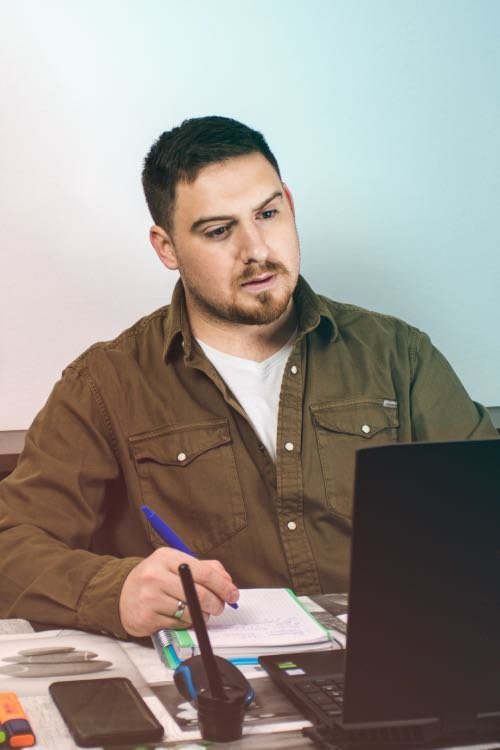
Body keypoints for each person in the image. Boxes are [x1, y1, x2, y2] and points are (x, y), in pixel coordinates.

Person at [0, 116, 497, 640]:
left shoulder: (398, 355)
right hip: (214, 677)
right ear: (166, 247)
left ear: (290, 204)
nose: (257, 249)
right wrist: (116, 590)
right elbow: (11, 545)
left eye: (267, 213)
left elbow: (487, 511)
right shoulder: (105, 385)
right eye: (219, 231)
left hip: (389, 664)